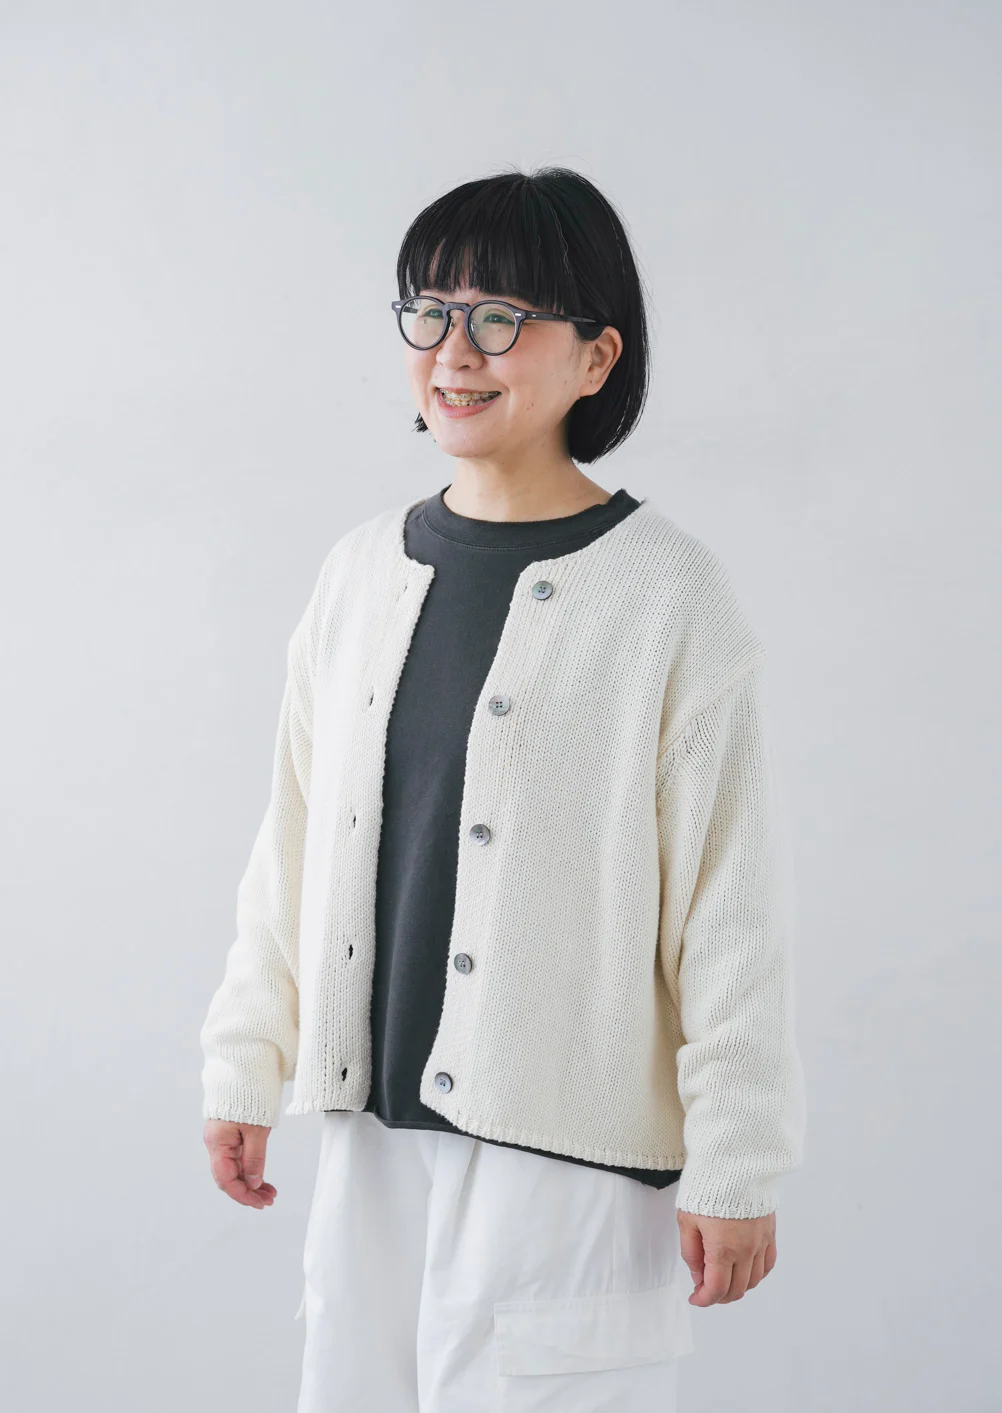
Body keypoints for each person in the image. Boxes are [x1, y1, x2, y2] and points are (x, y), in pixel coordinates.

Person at [199, 166, 806, 1412]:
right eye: (429, 310)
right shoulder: (358, 572)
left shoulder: (666, 597)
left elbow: (727, 906)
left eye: (499, 316)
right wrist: (244, 1062)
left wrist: (737, 1158)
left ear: (595, 357)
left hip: (563, 1152)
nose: (454, 350)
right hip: (369, 1133)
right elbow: (290, 843)